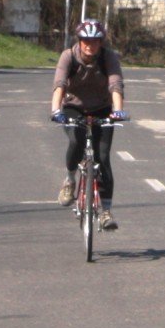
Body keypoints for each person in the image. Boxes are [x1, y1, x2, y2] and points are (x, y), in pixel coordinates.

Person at [50, 18, 125, 230]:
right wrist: (56, 110)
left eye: (95, 41)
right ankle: (69, 180)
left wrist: (118, 110)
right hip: (74, 108)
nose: (90, 45)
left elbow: (116, 85)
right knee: (76, 141)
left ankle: (106, 212)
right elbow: (60, 85)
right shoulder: (69, 56)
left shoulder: (108, 58)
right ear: (79, 41)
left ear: (101, 42)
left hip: (102, 108)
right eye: (85, 41)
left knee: (103, 157)